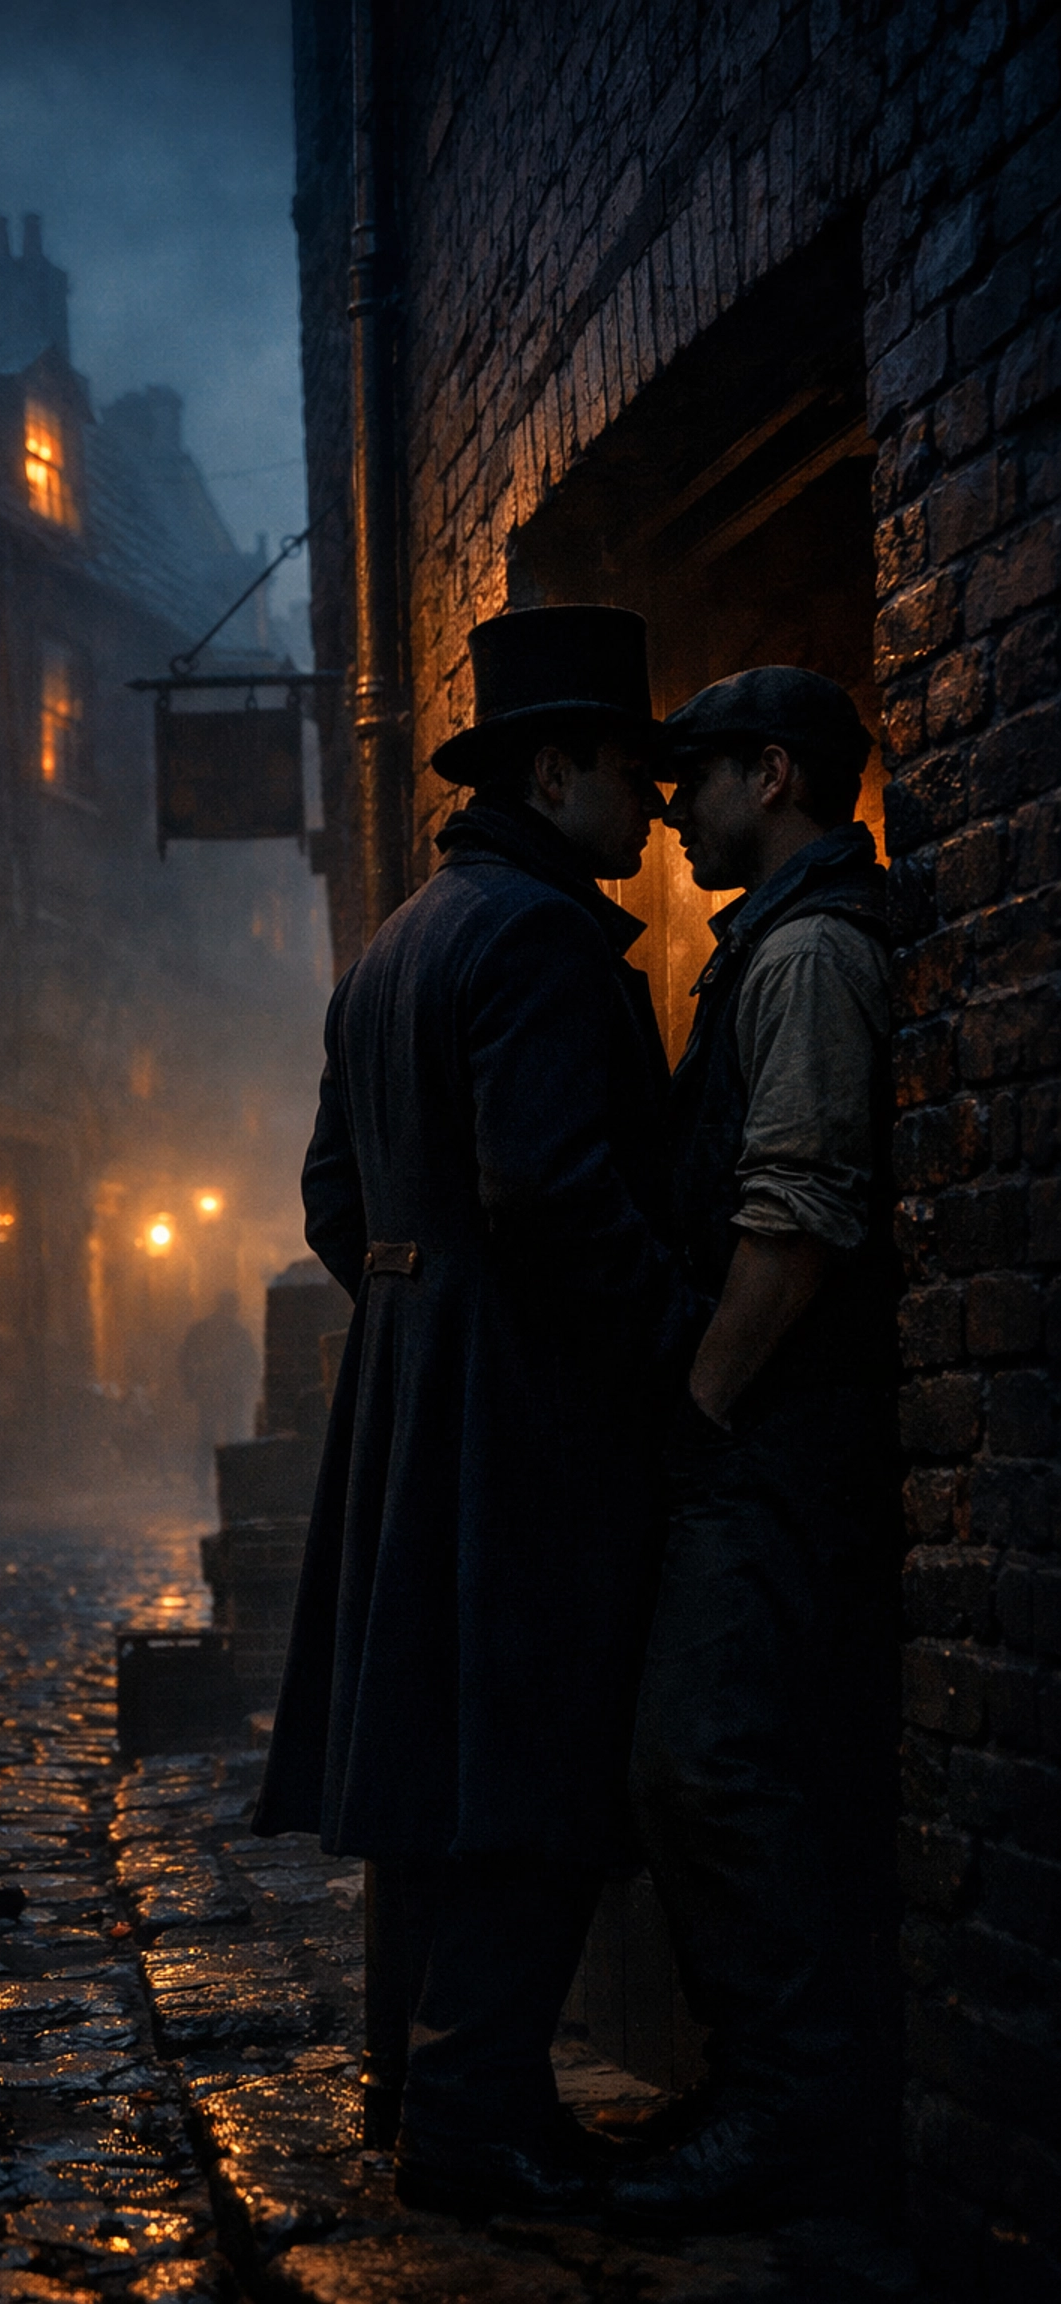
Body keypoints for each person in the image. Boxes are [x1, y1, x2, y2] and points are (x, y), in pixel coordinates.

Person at [253, 605, 701, 2220]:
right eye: (634, 771)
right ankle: (466, 2119)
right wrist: (683, 1347)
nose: (651, 805)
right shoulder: (538, 935)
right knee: (527, 1743)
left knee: (437, 1751)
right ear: (558, 763)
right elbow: (554, 1191)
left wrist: (417, 1315)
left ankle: (425, 2083)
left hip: (415, 1398)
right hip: (521, 1411)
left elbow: (328, 1198)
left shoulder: (393, 942)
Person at [607, 668, 902, 2231]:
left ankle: (795, 2116)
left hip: (778, 1442)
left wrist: (702, 1414)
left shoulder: (805, 959)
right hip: (770, 1437)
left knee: (708, 1760)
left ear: (772, 773)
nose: (673, 805)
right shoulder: (775, 950)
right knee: (733, 1760)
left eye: (698, 779)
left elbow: (792, 1226)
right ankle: (768, 2098)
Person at [178, 1290, 259, 1495]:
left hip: (214, 1392)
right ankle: (229, 1482)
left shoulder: (203, 1330)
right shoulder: (236, 1331)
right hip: (225, 1392)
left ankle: (205, 1482)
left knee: (210, 1437)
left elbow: (184, 1359)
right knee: (229, 1437)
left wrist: (191, 1388)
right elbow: (252, 1363)